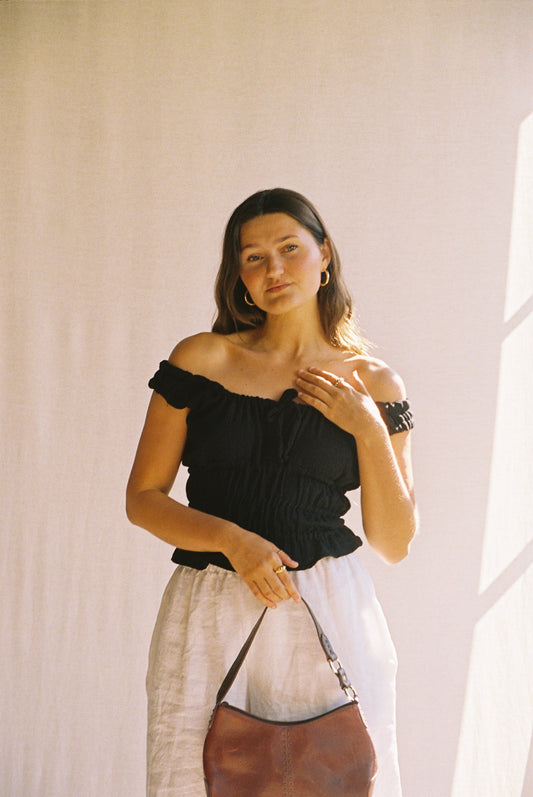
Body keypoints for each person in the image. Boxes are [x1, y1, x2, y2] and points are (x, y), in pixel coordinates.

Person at [126, 187, 417, 797]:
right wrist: (232, 541)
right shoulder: (201, 359)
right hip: (210, 608)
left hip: (329, 607)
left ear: (324, 255)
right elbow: (143, 498)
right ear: (238, 276)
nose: (274, 269)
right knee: (192, 780)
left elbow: (394, 542)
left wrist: (368, 427)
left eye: (289, 249)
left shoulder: (372, 382)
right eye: (253, 257)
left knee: (336, 782)